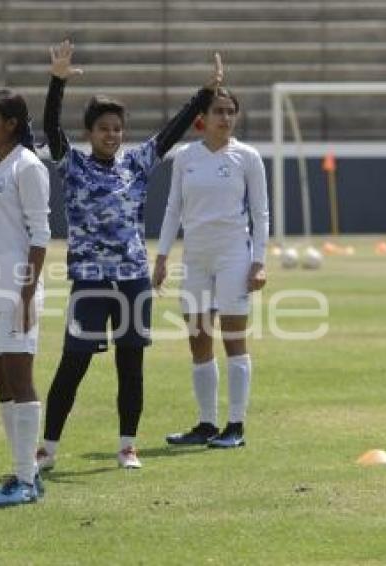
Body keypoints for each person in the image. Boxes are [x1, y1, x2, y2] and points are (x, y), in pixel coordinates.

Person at [35, 40, 223, 471]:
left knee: (131, 364)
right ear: (89, 133)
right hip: (89, 280)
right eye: (104, 128)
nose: (112, 135)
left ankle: (126, 446)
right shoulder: (72, 165)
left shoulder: (137, 163)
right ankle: (47, 447)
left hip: (133, 279)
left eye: (118, 129)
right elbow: (50, 126)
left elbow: (174, 130)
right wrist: (57, 82)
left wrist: (206, 93)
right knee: (73, 364)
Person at [155, 87, 269, 449]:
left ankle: (235, 425)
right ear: (203, 118)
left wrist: (259, 262)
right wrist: (161, 257)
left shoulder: (247, 157)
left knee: (235, 339)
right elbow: (173, 208)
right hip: (196, 258)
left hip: (234, 254)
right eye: (218, 111)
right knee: (198, 341)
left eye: (230, 111)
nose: (225, 117)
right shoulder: (186, 157)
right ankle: (206, 424)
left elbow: (260, 214)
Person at [0, 89, 51, 507]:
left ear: (12, 124)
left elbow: (41, 234)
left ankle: (24, 478)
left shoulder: (28, 166)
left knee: (20, 380)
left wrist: (28, 292)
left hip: (17, 288)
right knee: (0, 382)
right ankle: (25, 473)